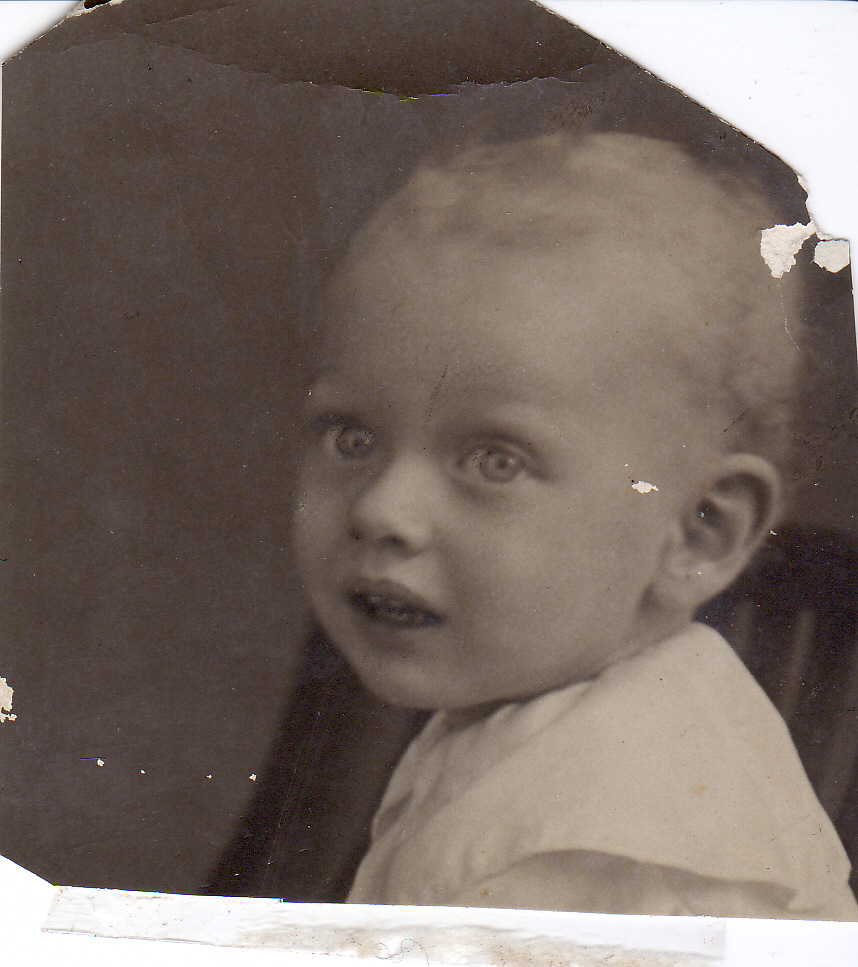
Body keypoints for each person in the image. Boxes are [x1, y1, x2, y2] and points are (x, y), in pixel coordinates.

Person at [290, 131, 858, 919]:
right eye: (353, 438)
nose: (381, 509)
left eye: (496, 460)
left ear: (699, 530)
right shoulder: (542, 719)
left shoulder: (607, 837)